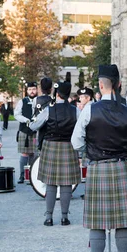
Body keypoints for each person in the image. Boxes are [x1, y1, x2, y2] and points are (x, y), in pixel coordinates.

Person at [72, 64, 127, 252]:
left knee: (97, 223)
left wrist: (91, 150)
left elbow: (76, 143)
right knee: (123, 222)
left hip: (97, 168)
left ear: (100, 85)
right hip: (121, 168)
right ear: (119, 84)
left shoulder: (89, 110)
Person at [29, 81, 81, 226]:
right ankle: (64, 217)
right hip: (68, 146)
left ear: (57, 94)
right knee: (66, 183)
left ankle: (49, 217)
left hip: (50, 146)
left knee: (50, 183)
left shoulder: (48, 110)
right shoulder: (75, 110)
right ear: (68, 94)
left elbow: (33, 126)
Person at [14, 82, 38, 184]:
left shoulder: (40, 100)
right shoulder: (22, 101)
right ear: (26, 91)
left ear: (37, 90)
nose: (32, 91)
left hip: (37, 130)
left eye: (33, 89)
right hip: (24, 130)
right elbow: (16, 114)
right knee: (24, 153)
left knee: (34, 153)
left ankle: (32, 175)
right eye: (29, 89)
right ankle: (22, 175)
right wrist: (26, 120)